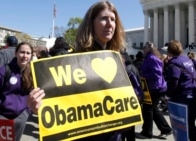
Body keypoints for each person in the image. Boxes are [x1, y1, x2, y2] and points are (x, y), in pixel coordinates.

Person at [27, 1, 127, 141]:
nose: (110, 24)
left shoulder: (118, 60)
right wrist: (38, 105)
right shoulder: (73, 61)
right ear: (91, 23)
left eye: (113, 19)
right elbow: (58, 106)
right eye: (104, 18)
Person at [0, 42, 34, 141]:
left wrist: (26, 112)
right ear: (16, 53)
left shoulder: (32, 73)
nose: (25, 56)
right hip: (1, 116)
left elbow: (32, 93)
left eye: (28, 53)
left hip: (20, 117)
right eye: (22, 52)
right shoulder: (4, 70)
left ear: (31, 56)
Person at [166, 40, 196, 141]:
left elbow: (174, 81)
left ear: (169, 52)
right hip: (195, 95)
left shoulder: (174, 62)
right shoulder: (187, 60)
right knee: (190, 124)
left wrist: (167, 95)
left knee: (187, 125)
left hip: (184, 96)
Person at [136, 41, 172, 139]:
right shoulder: (151, 57)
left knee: (148, 109)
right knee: (153, 109)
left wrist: (143, 76)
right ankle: (165, 129)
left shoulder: (151, 58)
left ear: (149, 49)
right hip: (155, 87)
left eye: (145, 48)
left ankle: (147, 132)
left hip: (154, 88)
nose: (143, 49)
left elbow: (156, 74)